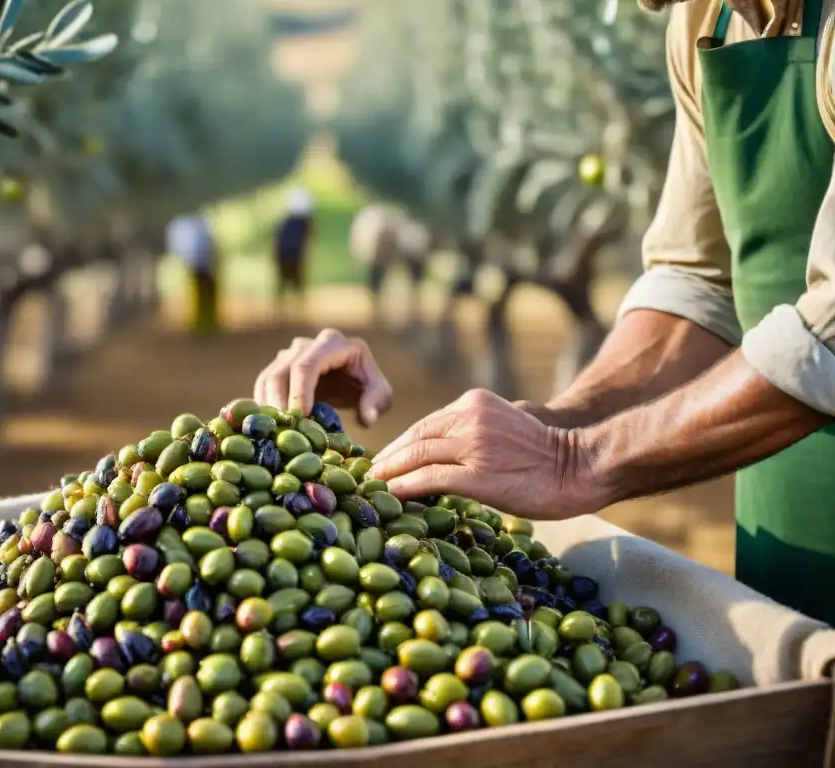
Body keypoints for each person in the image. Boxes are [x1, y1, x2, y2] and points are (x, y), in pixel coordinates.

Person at [253, 0, 835, 626]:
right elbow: (697, 282)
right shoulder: (705, 21)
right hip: (783, 518)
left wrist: (578, 462)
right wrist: (550, 427)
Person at [166, 212, 218, 334]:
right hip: (201, 266)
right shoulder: (201, 228)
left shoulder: (196, 228)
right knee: (201, 295)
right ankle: (203, 323)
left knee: (204, 295)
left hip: (201, 266)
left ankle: (205, 322)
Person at [274, 188, 315, 317]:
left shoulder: (285, 221)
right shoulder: (305, 223)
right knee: (296, 283)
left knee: (284, 283)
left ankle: (282, 309)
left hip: (283, 256)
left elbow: (276, 240)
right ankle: (298, 309)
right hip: (294, 257)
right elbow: (309, 241)